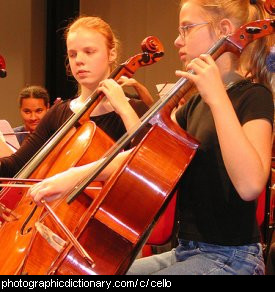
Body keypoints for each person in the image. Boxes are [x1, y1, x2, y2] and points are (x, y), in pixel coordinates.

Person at [28, 0, 274, 275]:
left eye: (186, 29)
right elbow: (146, 152)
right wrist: (73, 177)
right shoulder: (193, 105)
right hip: (186, 251)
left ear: (224, 29)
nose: (177, 40)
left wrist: (217, 97)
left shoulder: (253, 96)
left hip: (232, 259)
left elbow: (250, 184)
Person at [0, 16, 149, 178]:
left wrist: (124, 109)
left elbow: (147, 163)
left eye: (89, 52)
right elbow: (14, 166)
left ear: (111, 54)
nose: (79, 60)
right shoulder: (58, 113)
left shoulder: (135, 109)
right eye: (72, 54)